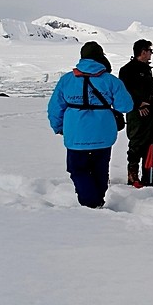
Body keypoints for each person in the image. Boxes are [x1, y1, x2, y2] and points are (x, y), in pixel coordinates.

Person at [47, 41, 133, 208]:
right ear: (101, 57)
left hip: (75, 134)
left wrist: (58, 126)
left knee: (78, 170)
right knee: (100, 169)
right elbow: (126, 106)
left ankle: (90, 203)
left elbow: (55, 108)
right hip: (103, 134)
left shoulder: (67, 80)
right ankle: (97, 201)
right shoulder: (110, 80)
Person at [119, 39, 153, 186]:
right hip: (138, 113)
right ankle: (133, 175)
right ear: (143, 51)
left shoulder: (144, 69)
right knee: (137, 142)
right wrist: (138, 104)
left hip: (151, 111)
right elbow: (125, 91)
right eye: (150, 51)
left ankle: (148, 175)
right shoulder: (128, 70)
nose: (151, 54)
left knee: (151, 141)